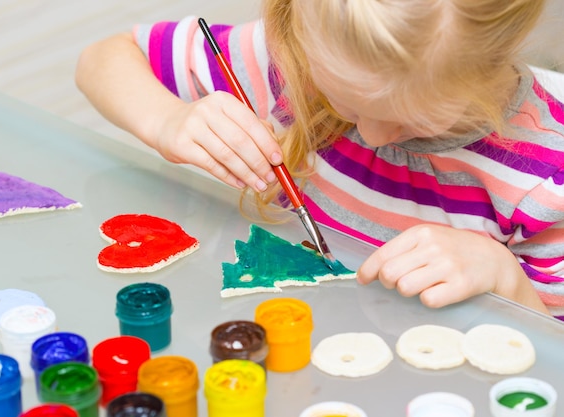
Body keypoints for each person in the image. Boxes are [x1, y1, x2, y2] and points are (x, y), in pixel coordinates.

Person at [76, 0, 564, 319]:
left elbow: (552, 356)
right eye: (346, 104)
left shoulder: (544, 181)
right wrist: (167, 122)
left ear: (486, 71)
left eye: (411, 121)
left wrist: (505, 277)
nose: (371, 137)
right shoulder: (288, 63)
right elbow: (103, 59)